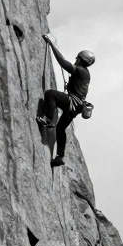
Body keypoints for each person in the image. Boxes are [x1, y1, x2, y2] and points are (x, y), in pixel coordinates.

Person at [39, 33, 94, 167]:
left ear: (80, 60)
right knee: (61, 129)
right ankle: (59, 157)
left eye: (77, 58)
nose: (76, 60)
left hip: (72, 102)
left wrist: (51, 45)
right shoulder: (85, 73)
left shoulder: (81, 71)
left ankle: (52, 119)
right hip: (76, 107)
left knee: (50, 94)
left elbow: (63, 63)